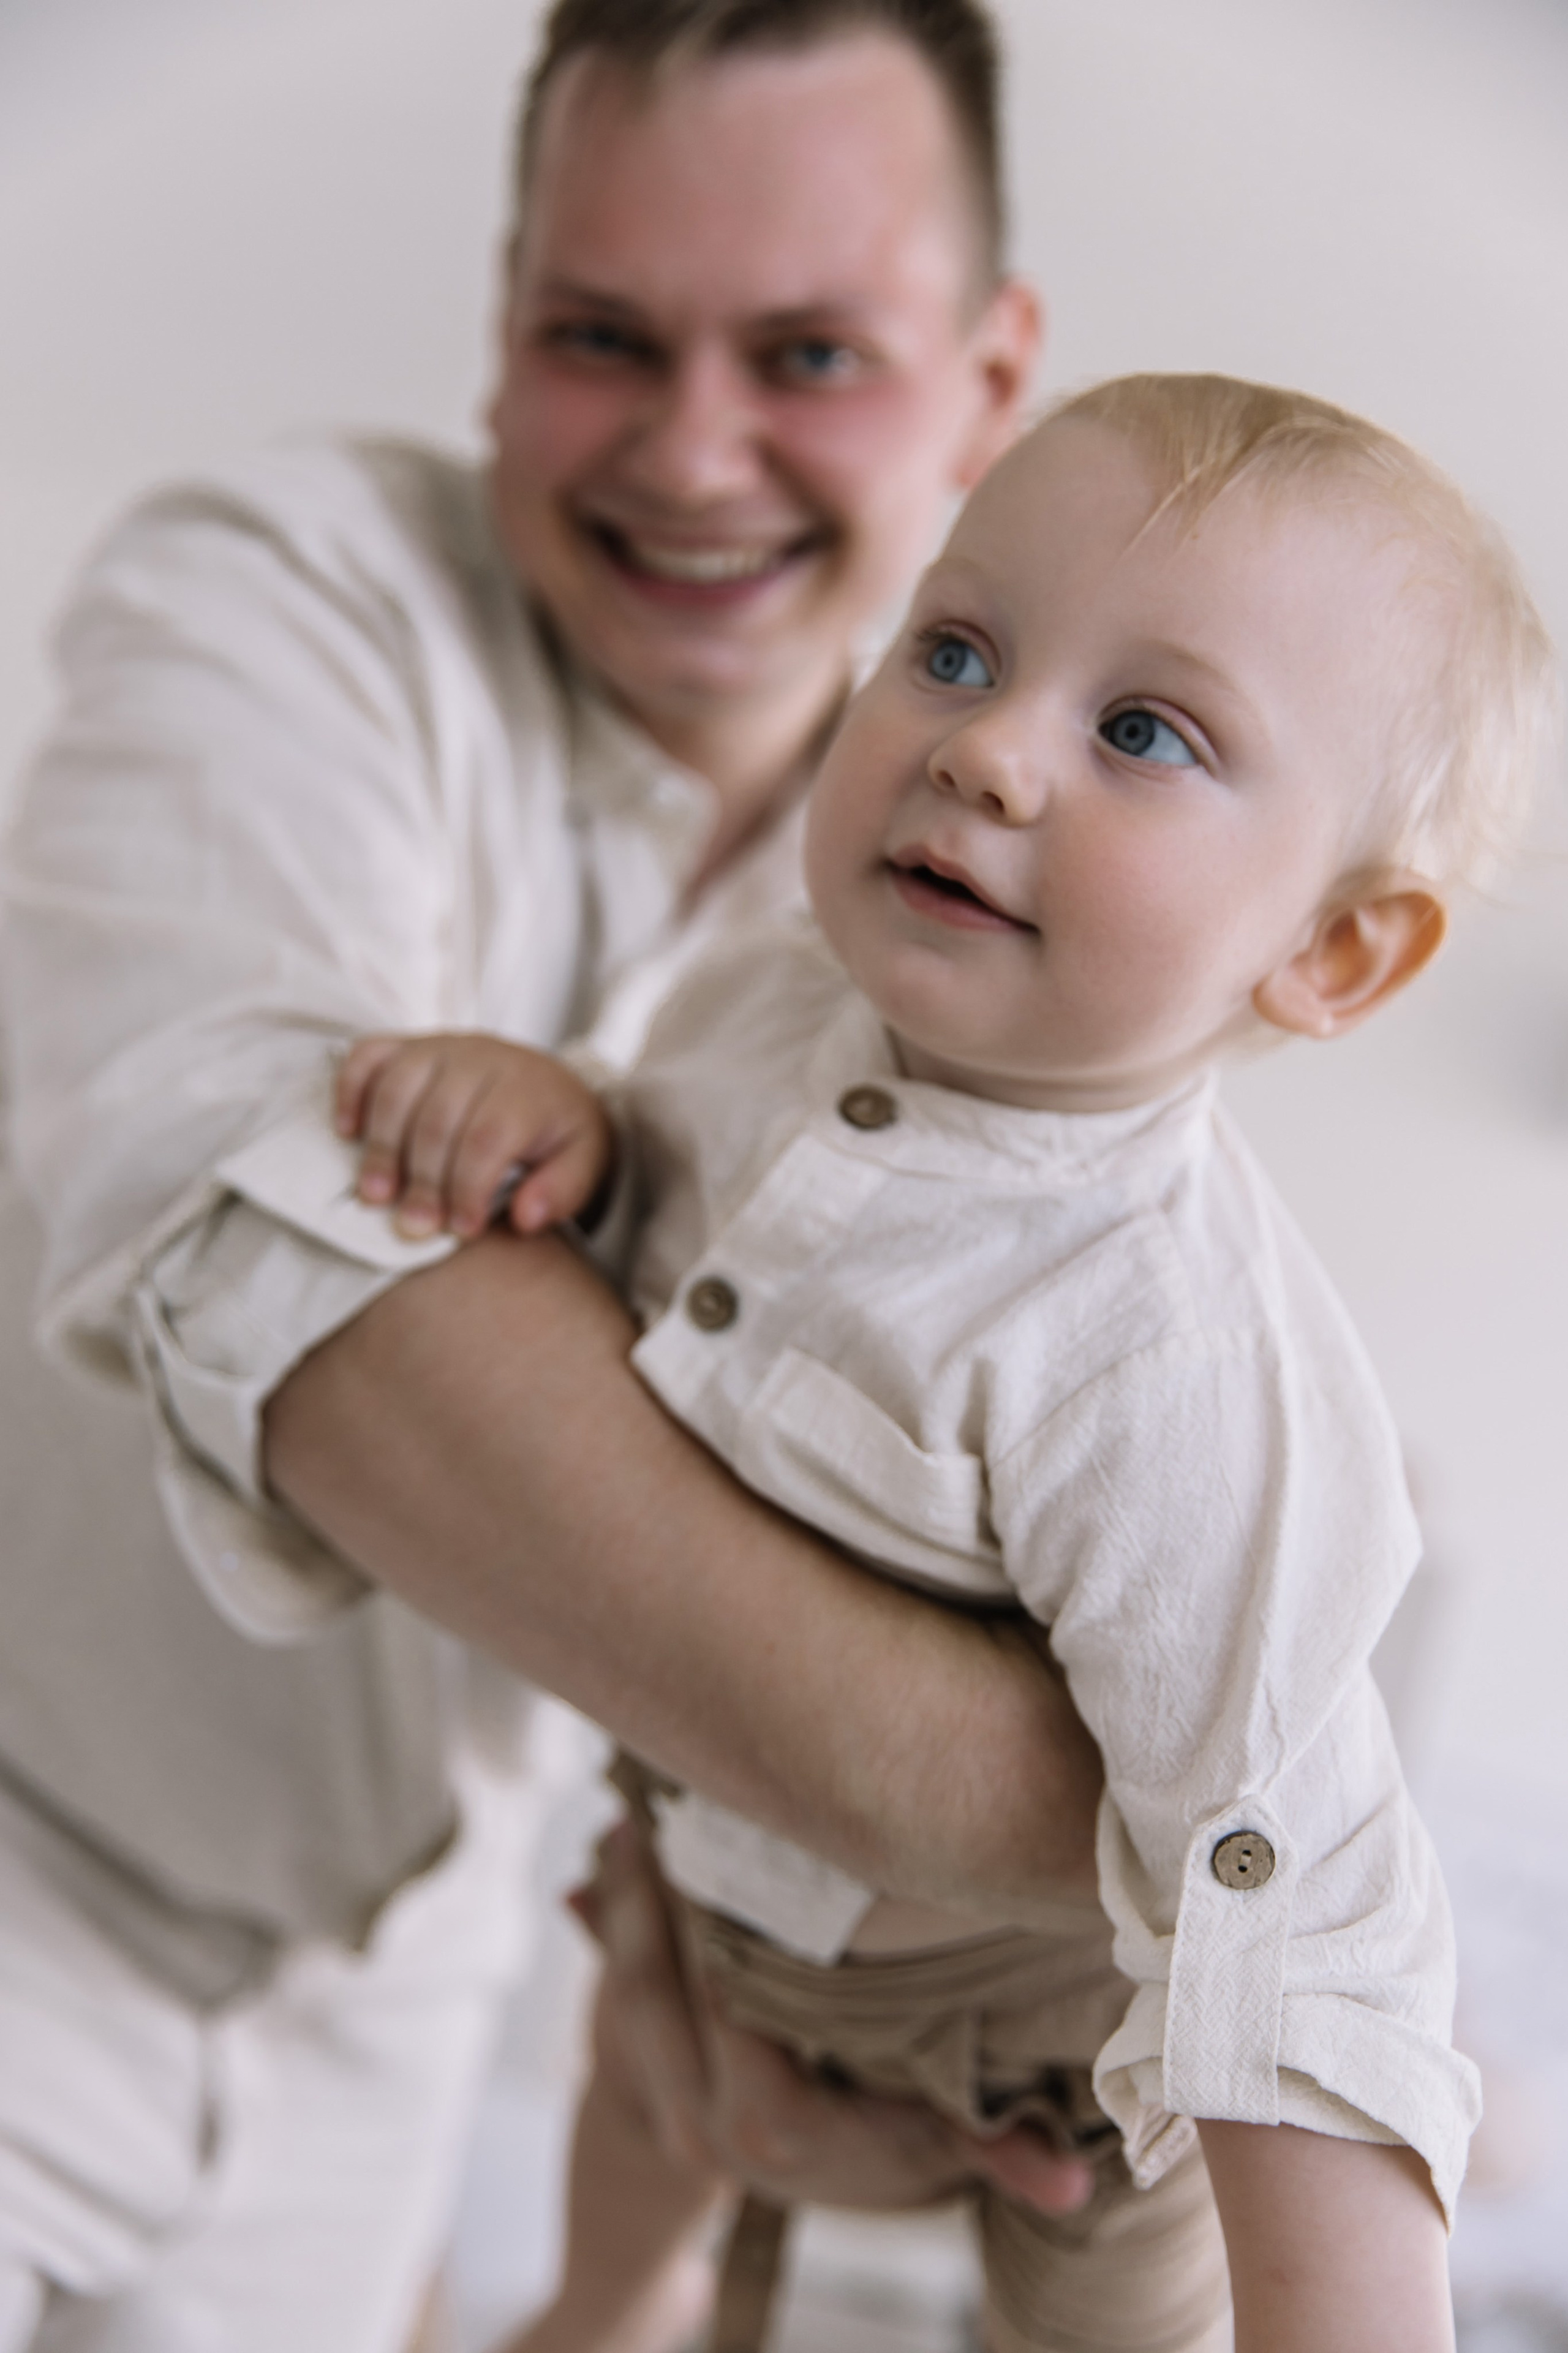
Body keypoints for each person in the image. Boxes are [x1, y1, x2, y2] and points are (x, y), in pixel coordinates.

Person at [0, 4, 1118, 2350]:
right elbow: (312, 1298)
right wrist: (1124, 1826)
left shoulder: (977, 950)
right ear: (503, 331)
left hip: (390, 1982)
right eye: (603, 339)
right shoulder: (276, 600)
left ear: (992, 377)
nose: (693, 456)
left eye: (807, 352)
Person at [337, 374, 1560, 2353]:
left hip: (1058, 2035)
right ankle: (598, 2310)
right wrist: (550, 1112)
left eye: (1143, 731)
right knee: (633, 2147)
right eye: (958, 649)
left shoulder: (1166, 1350)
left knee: (1098, 2308)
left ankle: (1468, 2134)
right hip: (723, 1885)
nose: (986, 750)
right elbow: (660, 1179)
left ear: (1329, 951)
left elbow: (1297, 1894)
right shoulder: (764, 996)